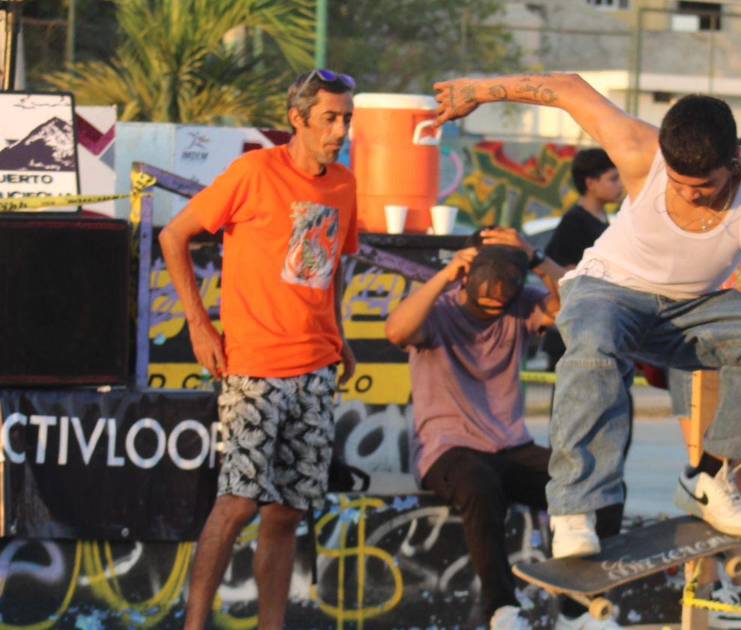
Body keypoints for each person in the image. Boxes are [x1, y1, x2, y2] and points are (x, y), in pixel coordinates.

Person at [434, 75, 741, 558]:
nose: (692, 196)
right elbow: (570, 90)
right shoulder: (640, 148)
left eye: (705, 186)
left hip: (692, 308)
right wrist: (479, 90)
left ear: (734, 162)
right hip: (609, 291)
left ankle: (708, 480)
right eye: (680, 185)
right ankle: (575, 508)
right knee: (593, 345)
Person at [159, 69, 359, 630]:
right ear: (298, 119)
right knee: (239, 502)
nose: (340, 130)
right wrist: (199, 325)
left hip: (316, 367)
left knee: (287, 511)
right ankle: (194, 625)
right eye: (329, 118)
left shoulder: (345, 183)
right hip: (254, 365)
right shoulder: (254, 172)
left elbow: (332, 267)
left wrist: (339, 335)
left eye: (346, 119)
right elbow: (173, 235)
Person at [385, 227, 622, 630]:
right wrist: (444, 276)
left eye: (504, 297)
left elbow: (582, 305)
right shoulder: (439, 310)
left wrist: (536, 258)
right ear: (466, 278)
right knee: (480, 485)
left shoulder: (521, 306)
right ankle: (501, 609)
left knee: (596, 485)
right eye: (486, 298)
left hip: (510, 446)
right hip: (447, 450)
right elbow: (396, 331)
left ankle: (577, 609)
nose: (495, 304)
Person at [666, 137, 741, 625]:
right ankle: (708, 588)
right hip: (697, 359)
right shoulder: (694, 222)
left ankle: (740, 585)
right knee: (707, 473)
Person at [542, 148, 624, 370]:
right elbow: (554, 272)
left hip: (595, 326)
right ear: (590, 183)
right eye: (613, 179)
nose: (620, 185)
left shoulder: (602, 219)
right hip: (574, 332)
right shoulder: (575, 222)